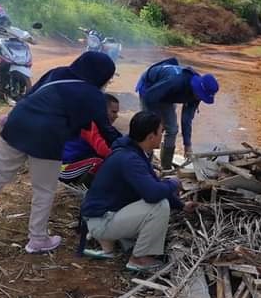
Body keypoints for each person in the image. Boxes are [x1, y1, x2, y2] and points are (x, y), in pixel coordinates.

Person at [0, 51, 120, 253]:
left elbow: (30, 94)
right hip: (47, 137)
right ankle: (37, 239)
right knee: (44, 189)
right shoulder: (94, 96)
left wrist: (7, 117)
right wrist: (129, 144)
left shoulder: (58, 72)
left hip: (18, 123)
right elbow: (105, 129)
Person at [80, 111, 197, 271]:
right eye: (161, 132)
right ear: (150, 137)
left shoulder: (133, 151)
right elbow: (153, 194)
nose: (162, 136)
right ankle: (139, 258)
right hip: (101, 221)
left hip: (102, 215)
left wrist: (181, 205)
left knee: (157, 198)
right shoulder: (130, 159)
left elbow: (153, 184)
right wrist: (174, 183)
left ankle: (110, 242)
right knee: (159, 206)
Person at [135, 58, 219, 169]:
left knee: (173, 129)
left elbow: (186, 119)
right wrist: (158, 121)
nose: (199, 98)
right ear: (197, 88)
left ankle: (166, 166)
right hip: (150, 89)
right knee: (151, 129)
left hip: (167, 97)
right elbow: (150, 97)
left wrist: (187, 144)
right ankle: (145, 163)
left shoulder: (196, 95)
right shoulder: (176, 81)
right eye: (200, 95)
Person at [60, 93, 121, 186]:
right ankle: (86, 190)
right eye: (113, 112)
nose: (117, 116)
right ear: (102, 110)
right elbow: (103, 150)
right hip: (65, 169)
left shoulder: (104, 126)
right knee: (99, 162)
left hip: (76, 163)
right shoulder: (89, 124)